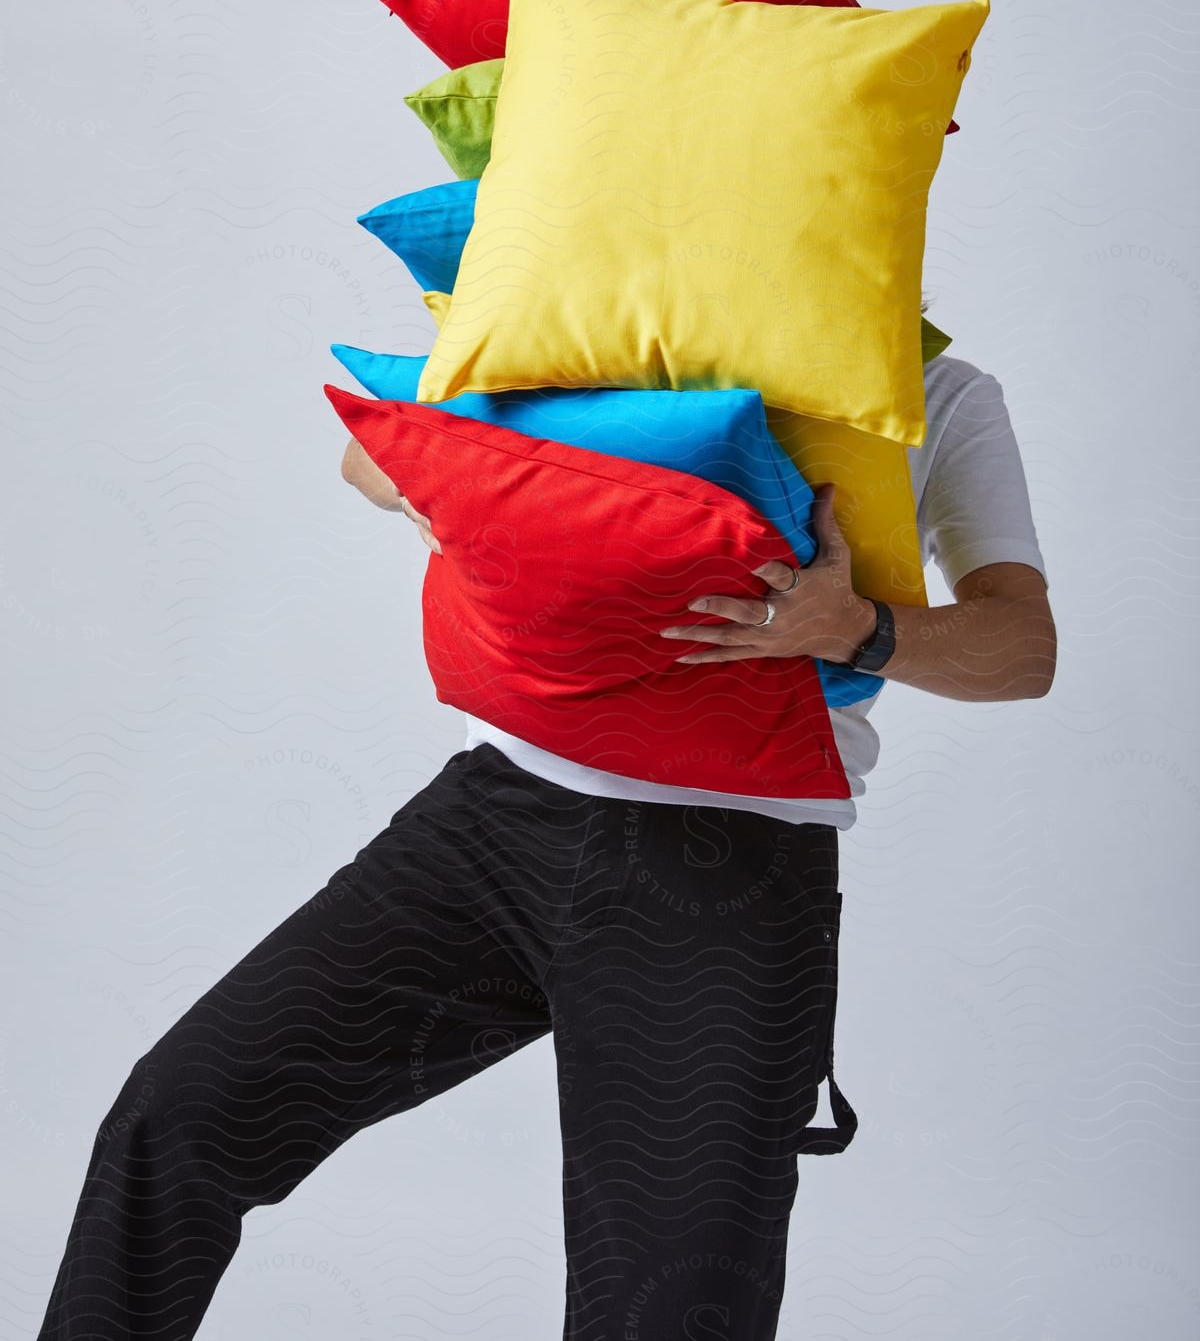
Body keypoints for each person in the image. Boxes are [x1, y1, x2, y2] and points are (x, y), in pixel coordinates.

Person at [35, 330, 1055, 1341]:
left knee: (668, 1310)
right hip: (489, 827)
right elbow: (369, 455)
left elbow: (1022, 651)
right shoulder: (573, 323)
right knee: (176, 1122)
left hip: (724, 874)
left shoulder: (941, 396)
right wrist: (483, 484)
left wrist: (854, 628)